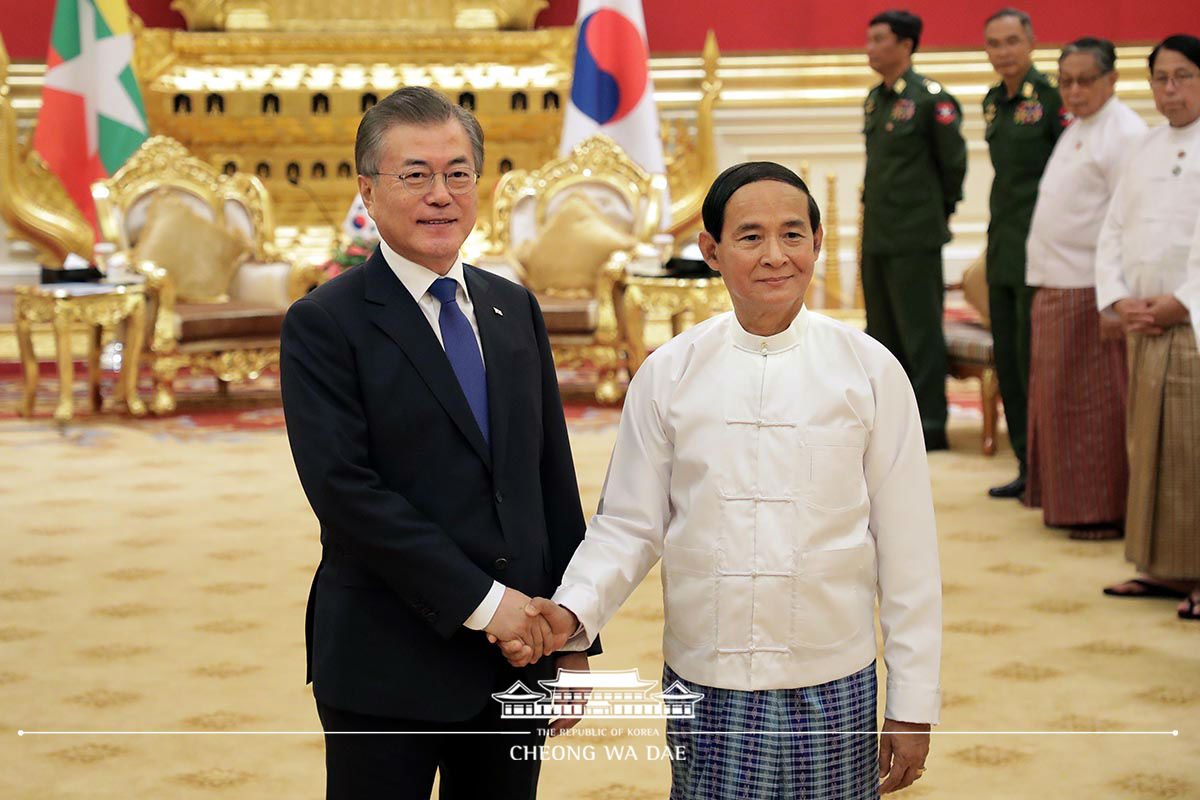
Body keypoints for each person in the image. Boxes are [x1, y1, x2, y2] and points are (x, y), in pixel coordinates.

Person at [506, 163, 942, 797]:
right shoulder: (669, 374)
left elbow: (909, 553)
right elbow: (629, 524)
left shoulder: (870, 372)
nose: (775, 256)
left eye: (793, 235)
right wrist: (573, 615)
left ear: (817, 244)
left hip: (833, 676)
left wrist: (913, 699)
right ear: (710, 250)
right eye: (750, 237)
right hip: (707, 679)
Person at [279, 86, 596, 799]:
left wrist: (573, 636)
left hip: (517, 658)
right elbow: (346, 495)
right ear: (367, 188)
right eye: (413, 174)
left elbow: (551, 480)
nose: (441, 194)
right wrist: (488, 604)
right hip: (387, 659)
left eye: (458, 173)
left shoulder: (512, 306)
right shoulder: (324, 323)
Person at [1023, 38, 1148, 540]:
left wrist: (1112, 296)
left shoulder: (1126, 134)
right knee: (1058, 399)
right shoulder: (1081, 126)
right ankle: (1066, 502)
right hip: (1057, 280)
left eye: (1084, 81)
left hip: (1089, 288)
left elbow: (1127, 224)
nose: (1072, 91)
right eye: (1065, 81)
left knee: (1093, 404)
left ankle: (1101, 509)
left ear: (1112, 80)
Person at [1095, 35, 1200, 621]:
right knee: (1152, 448)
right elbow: (1112, 230)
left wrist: (1182, 302)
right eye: (1161, 78)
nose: (1170, 89)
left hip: (1190, 325)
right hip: (1146, 324)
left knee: (1194, 450)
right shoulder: (1146, 147)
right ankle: (1164, 567)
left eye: (1183, 76)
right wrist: (1118, 298)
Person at [862, 9, 967, 451]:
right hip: (879, 234)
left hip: (915, 235)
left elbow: (953, 165)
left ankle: (931, 425)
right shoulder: (875, 99)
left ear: (905, 45)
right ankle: (889, 424)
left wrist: (935, 214)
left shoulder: (931, 100)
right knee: (880, 333)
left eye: (879, 39)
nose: (869, 47)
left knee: (920, 332)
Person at [981, 7, 1068, 498]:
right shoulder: (993, 102)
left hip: (1044, 250)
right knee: (1010, 362)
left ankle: (1052, 468)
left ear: (1032, 42)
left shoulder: (1054, 98)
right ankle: (1025, 464)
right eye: (994, 43)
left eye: (1012, 41)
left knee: (1039, 363)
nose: (1003, 52)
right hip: (1003, 248)